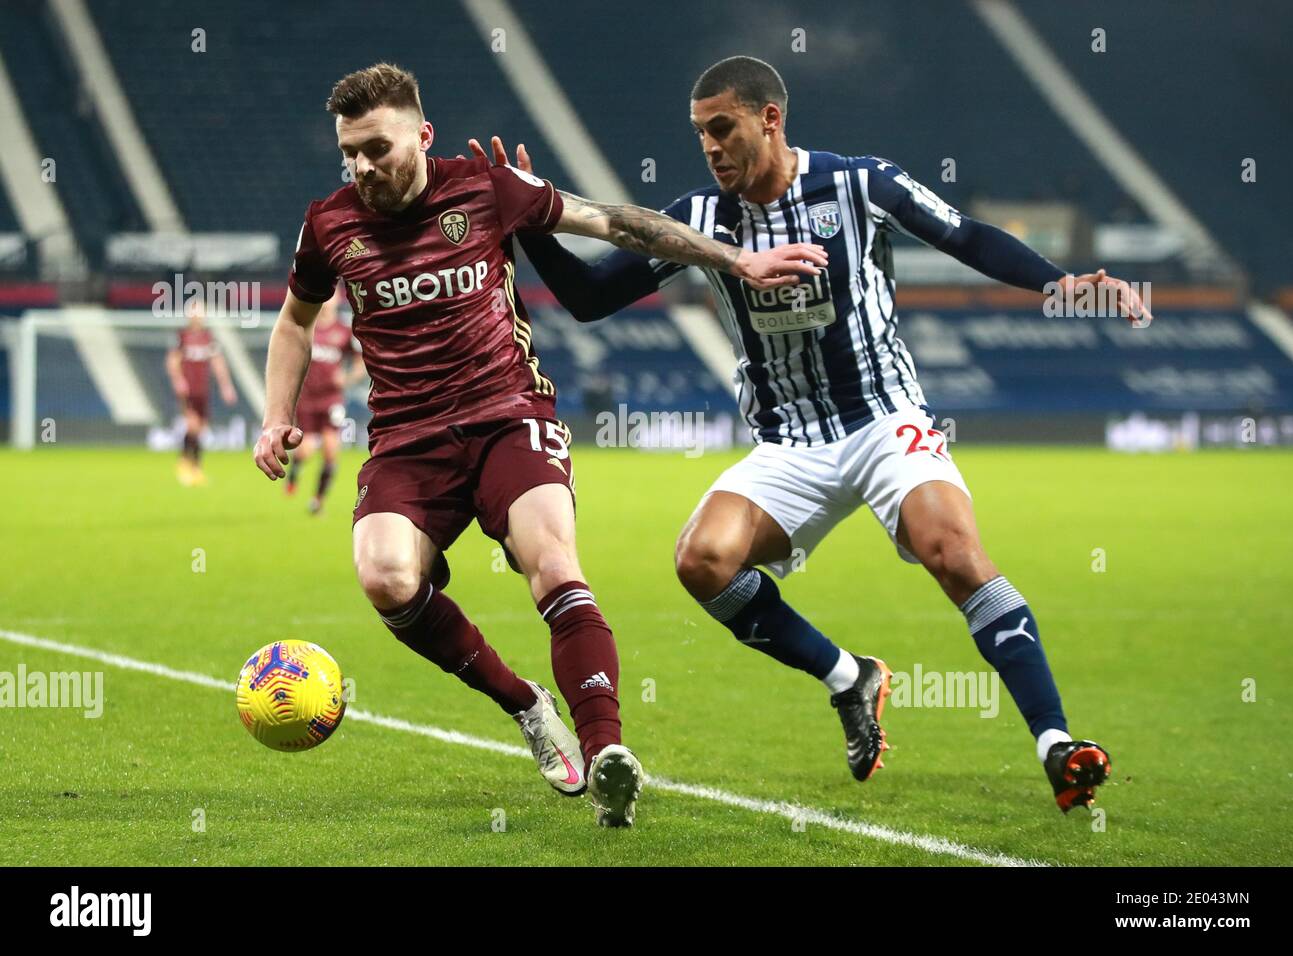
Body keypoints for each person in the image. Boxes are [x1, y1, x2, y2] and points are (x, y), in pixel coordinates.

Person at [501, 55, 1152, 813]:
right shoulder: (702, 222)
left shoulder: (858, 183)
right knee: (702, 560)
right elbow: (588, 297)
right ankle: (850, 678)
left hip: (883, 419)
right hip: (788, 445)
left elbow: (965, 235)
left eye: (722, 128)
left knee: (955, 552)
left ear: (769, 119)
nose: (709, 148)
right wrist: (533, 223)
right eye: (699, 134)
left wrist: (1059, 284)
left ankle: (1056, 744)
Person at [252, 62, 826, 827]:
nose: (362, 167)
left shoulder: (485, 190)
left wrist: (737, 260)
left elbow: (618, 223)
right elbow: (295, 320)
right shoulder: (329, 223)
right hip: (406, 440)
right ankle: (525, 706)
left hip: (508, 416)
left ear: (422, 136)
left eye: (377, 149)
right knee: (387, 579)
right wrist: (273, 416)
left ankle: (606, 752)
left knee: (551, 563)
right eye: (349, 152)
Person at [286, 288, 366, 514]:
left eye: (331, 297)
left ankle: (318, 501)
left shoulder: (343, 331)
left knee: (332, 451)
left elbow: (361, 362)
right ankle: (295, 469)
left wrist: (347, 377)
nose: (328, 301)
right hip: (307, 398)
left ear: (337, 299)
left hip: (332, 399)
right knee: (307, 448)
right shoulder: (307, 327)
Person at [166, 300, 237, 486]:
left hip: (203, 390)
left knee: (200, 429)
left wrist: (226, 386)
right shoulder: (181, 336)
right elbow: (173, 360)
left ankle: (192, 466)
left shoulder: (209, 337)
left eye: (200, 312)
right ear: (188, 315)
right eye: (194, 312)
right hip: (187, 390)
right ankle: (186, 463)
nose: (197, 316)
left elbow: (217, 362)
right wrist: (178, 380)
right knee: (193, 426)